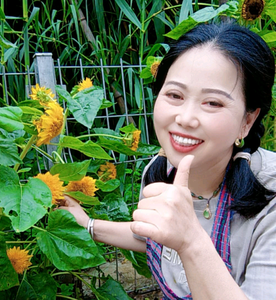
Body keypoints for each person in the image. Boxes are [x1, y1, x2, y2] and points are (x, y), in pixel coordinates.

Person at [59, 22, 276, 299]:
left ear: (248, 120)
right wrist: (89, 226)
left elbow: (180, 236)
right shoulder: (159, 171)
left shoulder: (271, 197)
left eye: (212, 103)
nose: (185, 118)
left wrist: (191, 241)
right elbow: (157, 237)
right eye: (174, 95)